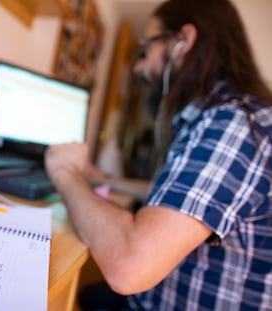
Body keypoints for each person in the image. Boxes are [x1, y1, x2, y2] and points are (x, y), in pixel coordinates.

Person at [44, 0, 272, 310]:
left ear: (183, 41)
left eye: (145, 49)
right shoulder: (223, 118)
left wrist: (64, 173)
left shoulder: (233, 123)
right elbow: (174, 200)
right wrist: (106, 180)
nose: (138, 66)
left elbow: (129, 266)